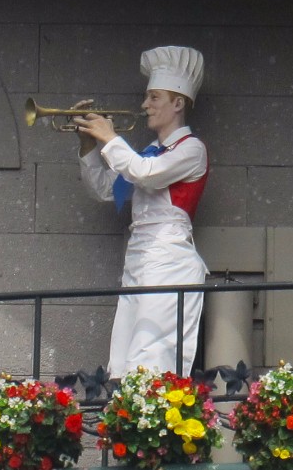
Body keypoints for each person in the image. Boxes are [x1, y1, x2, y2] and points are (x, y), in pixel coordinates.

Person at [77, 45, 211, 377]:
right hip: (138, 258)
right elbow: (103, 188)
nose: (144, 105)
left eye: (154, 98)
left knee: (152, 355)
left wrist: (110, 138)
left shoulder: (191, 149)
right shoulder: (148, 153)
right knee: (122, 359)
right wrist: (90, 146)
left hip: (169, 258)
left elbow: (145, 173)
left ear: (178, 103)